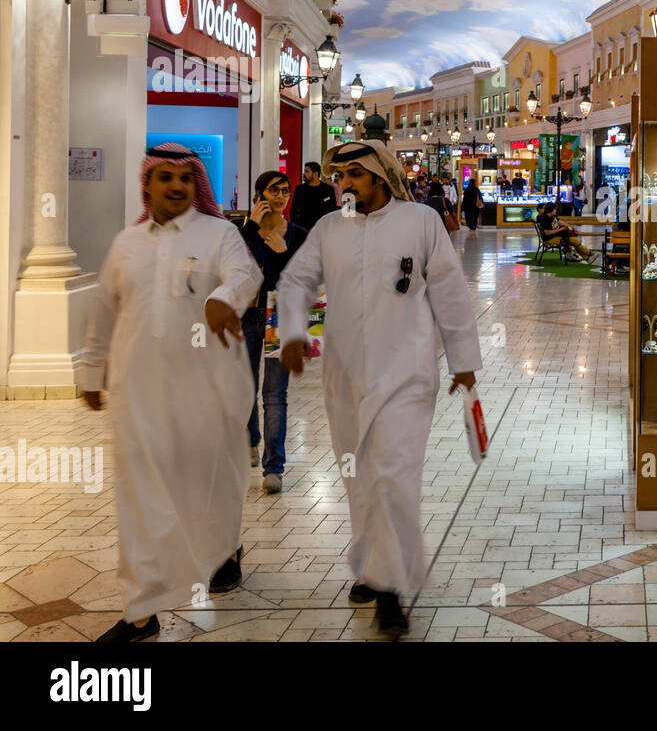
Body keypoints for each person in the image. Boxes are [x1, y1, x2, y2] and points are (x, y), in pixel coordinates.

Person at [277, 140, 482, 637]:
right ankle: (373, 562)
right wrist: (292, 332)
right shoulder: (328, 228)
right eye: (338, 176)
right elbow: (296, 281)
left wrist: (464, 361)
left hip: (407, 374)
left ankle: (390, 588)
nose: (343, 184)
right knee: (360, 474)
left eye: (353, 175)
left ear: (378, 177)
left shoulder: (420, 221)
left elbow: (450, 289)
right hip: (345, 376)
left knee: (392, 475)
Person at [81, 144, 262, 642]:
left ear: (195, 184)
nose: (176, 186)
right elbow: (103, 311)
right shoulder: (126, 243)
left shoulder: (220, 233)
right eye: (164, 178)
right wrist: (92, 371)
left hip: (205, 397)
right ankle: (141, 612)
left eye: (184, 178)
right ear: (147, 185)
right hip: (138, 396)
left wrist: (224, 298)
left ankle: (220, 552)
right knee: (140, 501)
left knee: (204, 494)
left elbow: (247, 274)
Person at [240, 170, 308, 493]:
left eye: (285, 190)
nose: (280, 196)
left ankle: (274, 466)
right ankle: (251, 439)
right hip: (247, 314)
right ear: (259, 195)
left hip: (280, 316)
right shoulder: (244, 231)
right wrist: (251, 227)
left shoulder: (298, 235)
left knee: (274, 393)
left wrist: (282, 254)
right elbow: (234, 265)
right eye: (273, 190)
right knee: (245, 384)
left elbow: (301, 278)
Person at [291, 161, 339, 232]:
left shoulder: (328, 189)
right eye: (304, 171)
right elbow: (293, 210)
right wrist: (297, 226)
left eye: (307, 171)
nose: (304, 174)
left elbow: (332, 209)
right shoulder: (300, 189)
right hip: (304, 230)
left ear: (315, 174)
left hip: (323, 229)